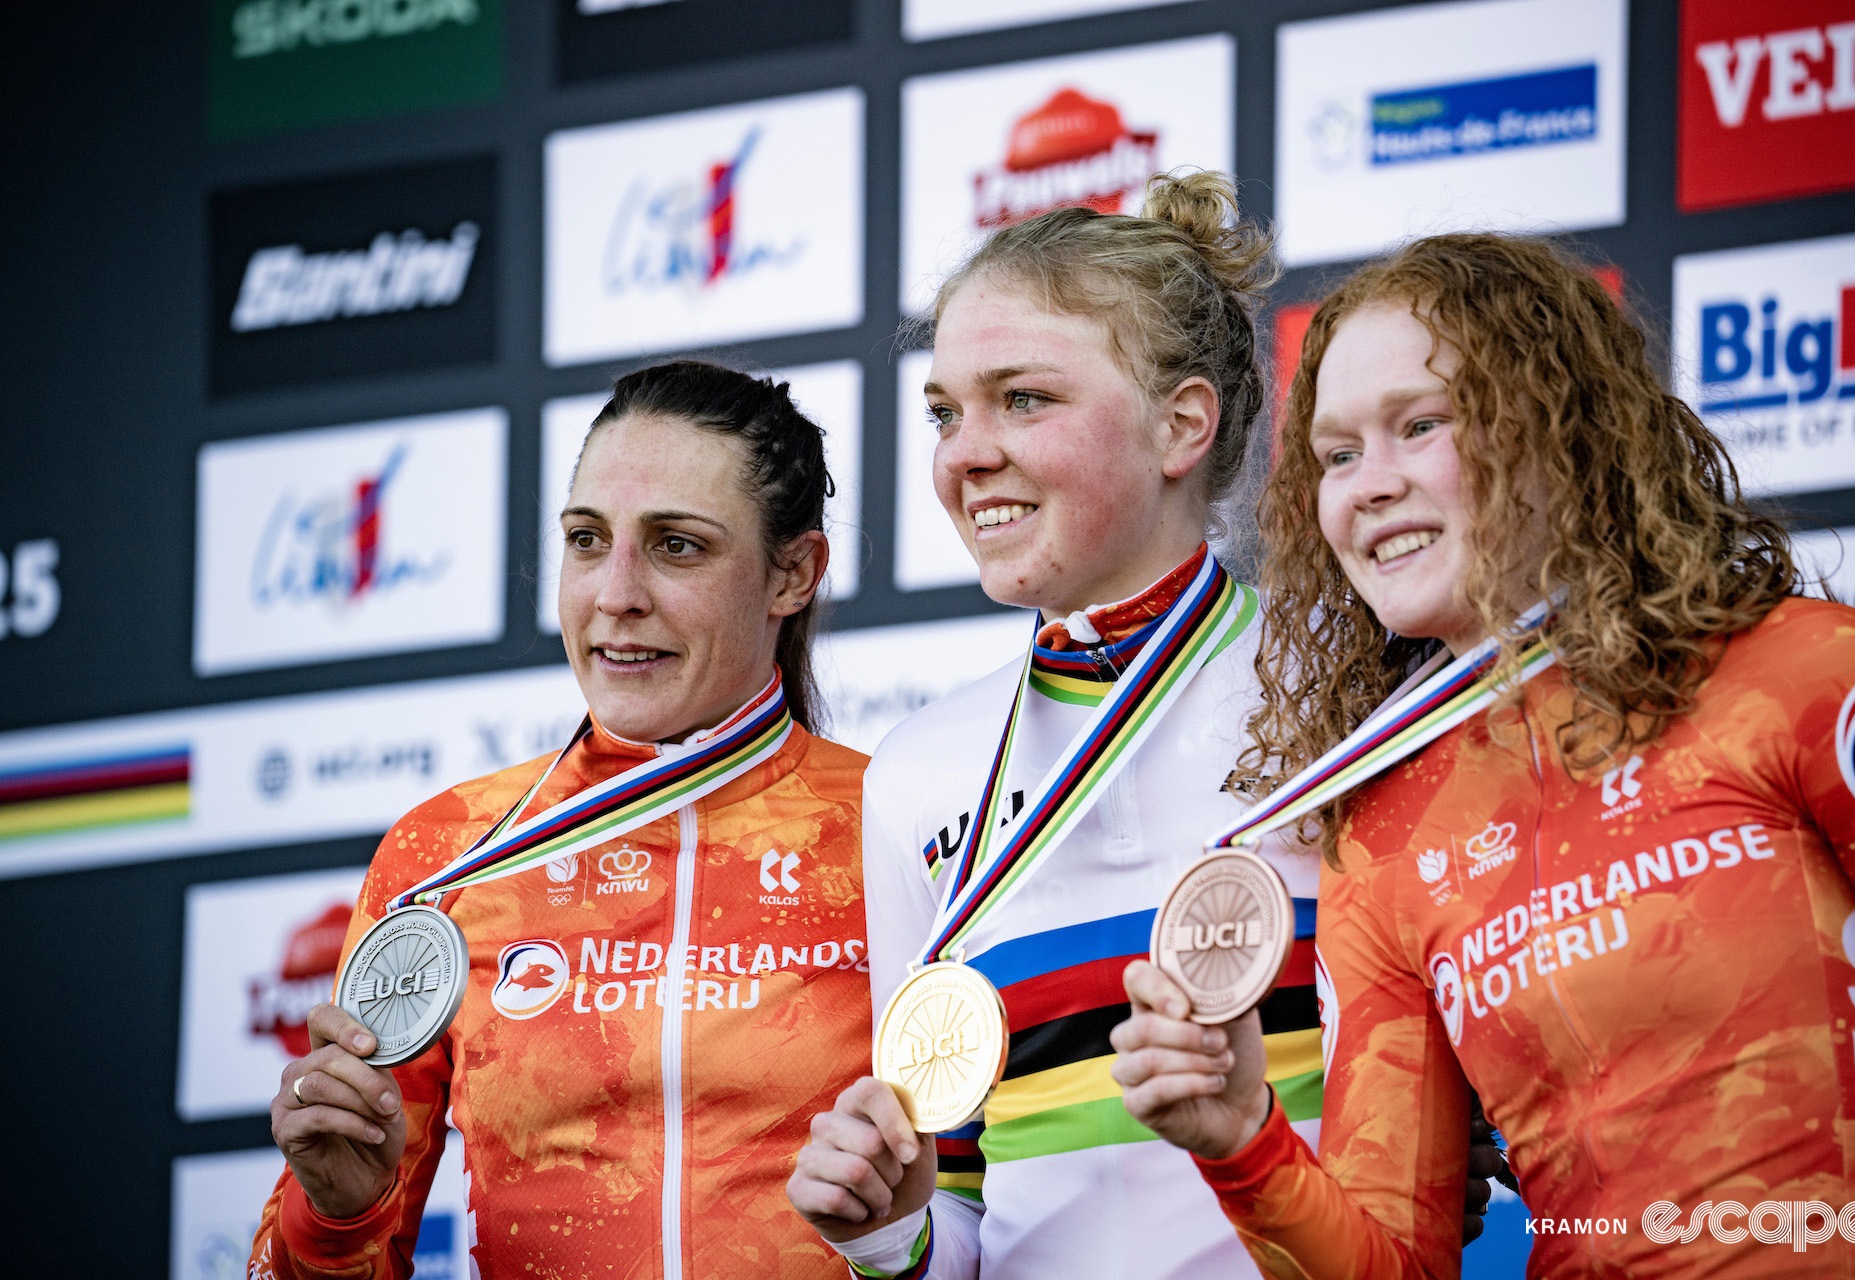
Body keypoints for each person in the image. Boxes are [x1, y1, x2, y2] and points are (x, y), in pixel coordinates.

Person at [1110, 233, 1855, 1277]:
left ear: (1561, 432)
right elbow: (1393, 1263)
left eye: (1419, 426)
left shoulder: (1806, 673)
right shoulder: (1384, 833)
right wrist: (1243, 1138)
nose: (1371, 485)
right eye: (1339, 454)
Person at [787, 172, 1493, 1280]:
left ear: (1181, 424)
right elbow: (961, 1196)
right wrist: (891, 1228)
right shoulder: (920, 774)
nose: (964, 453)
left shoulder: (1358, 685)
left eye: (1023, 399)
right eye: (945, 411)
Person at [250, 361, 874, 1280]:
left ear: (794, 573)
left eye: (678, 546)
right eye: (587, 540)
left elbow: (998, 1215)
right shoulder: (447, 853)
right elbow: (316, 1264)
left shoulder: (896, 822)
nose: (614, 593)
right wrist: (336, 1216)